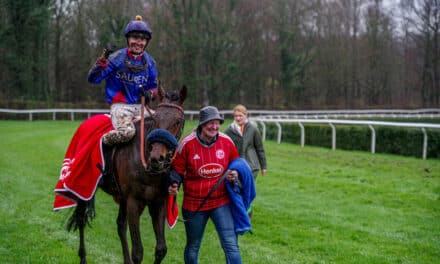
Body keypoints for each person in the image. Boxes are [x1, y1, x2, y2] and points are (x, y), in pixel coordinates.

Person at [168, 106, 243, 264]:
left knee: (231, 245)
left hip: (221, 202)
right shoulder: (187, 144)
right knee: (193, 246)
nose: (214, 127)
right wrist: (174, 183)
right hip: (194, 204)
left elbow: (237, 165)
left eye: (217, 123)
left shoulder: (227, 142)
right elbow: (177, 170)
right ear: (202, 124)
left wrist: (235, 174)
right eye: (210, 123)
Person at [87, 15, 158, 145]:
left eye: (143, 39)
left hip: (140, 107)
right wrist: (103, 60)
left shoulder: (150, 62)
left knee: (163, 122)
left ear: (146, 42)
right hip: (121, 107)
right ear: (128, 39)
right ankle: (100, 143)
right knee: (127, 133)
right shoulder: (116, 58)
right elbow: (93, 79)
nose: (139, 42)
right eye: (135, 38)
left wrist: (151, 94)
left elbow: (154, 87)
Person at [225, 104, 267, 179]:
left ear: (245, 115)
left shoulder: (253, 129)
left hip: (252, 167)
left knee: (248, 189)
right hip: (235, 167)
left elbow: (260, 149)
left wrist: (263, 167)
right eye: (236, 116)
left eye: (240, 116)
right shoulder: (229, 131)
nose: (238, 118)